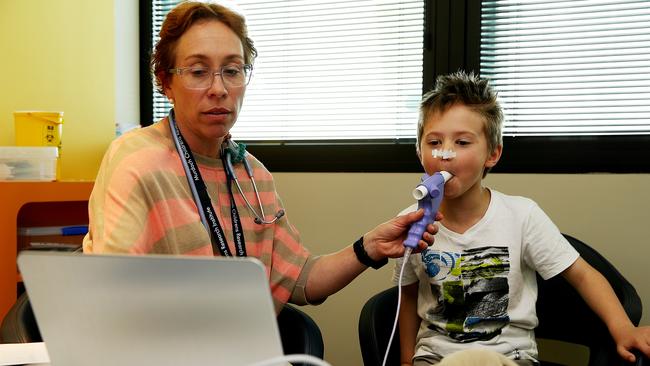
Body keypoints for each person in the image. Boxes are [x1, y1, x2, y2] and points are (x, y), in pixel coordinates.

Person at [82, 0, 435, 314]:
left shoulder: (252, 175)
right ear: (166, 81)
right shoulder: (138, 160)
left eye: (232, 70)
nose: (219, 88)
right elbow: (115, 293)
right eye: (198, 71)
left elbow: (301, 279)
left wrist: (369, 246)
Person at [394, 71, 650, 365]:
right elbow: (407, 294)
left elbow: (582, 275)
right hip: (434, 358)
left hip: (508, 358)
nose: (446, 154)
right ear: (419, 150)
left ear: (493, 153)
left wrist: (623, 329)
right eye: (434, 142)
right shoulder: (409, 222)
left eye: (462, 143)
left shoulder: (521, 216)